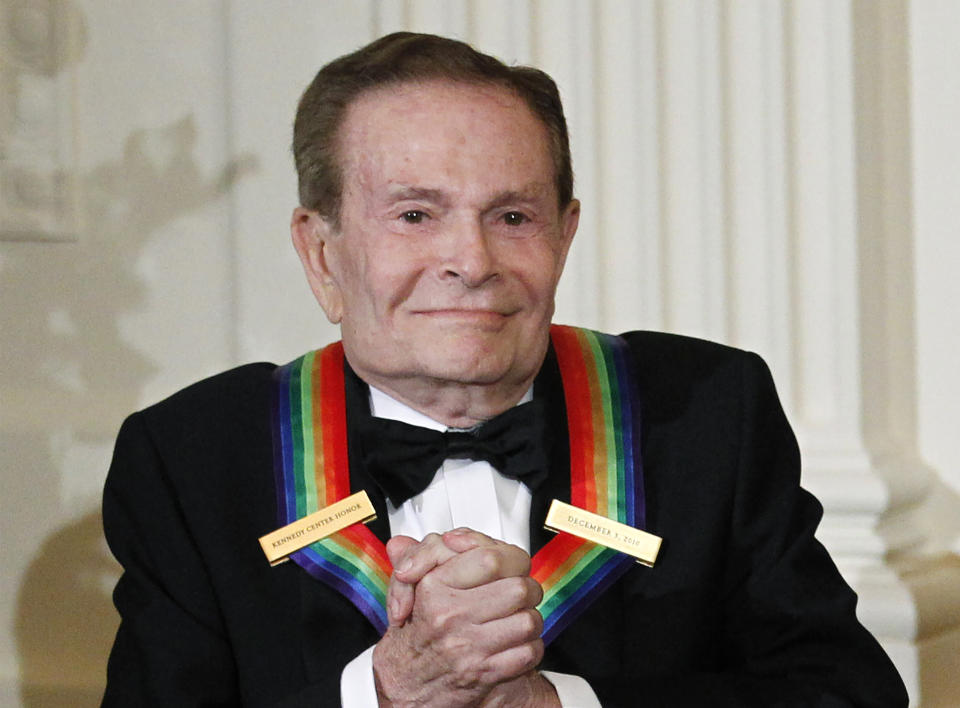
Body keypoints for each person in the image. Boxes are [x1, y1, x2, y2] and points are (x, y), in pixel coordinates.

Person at [101, 32, 908, 707]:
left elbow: (846, 694)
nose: (471, 260)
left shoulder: (704, 414)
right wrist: (385, 692)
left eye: (512, 216)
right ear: (321, 253)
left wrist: (560, 704)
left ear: (564, 235)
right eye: (415, 215)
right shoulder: (193, 458)